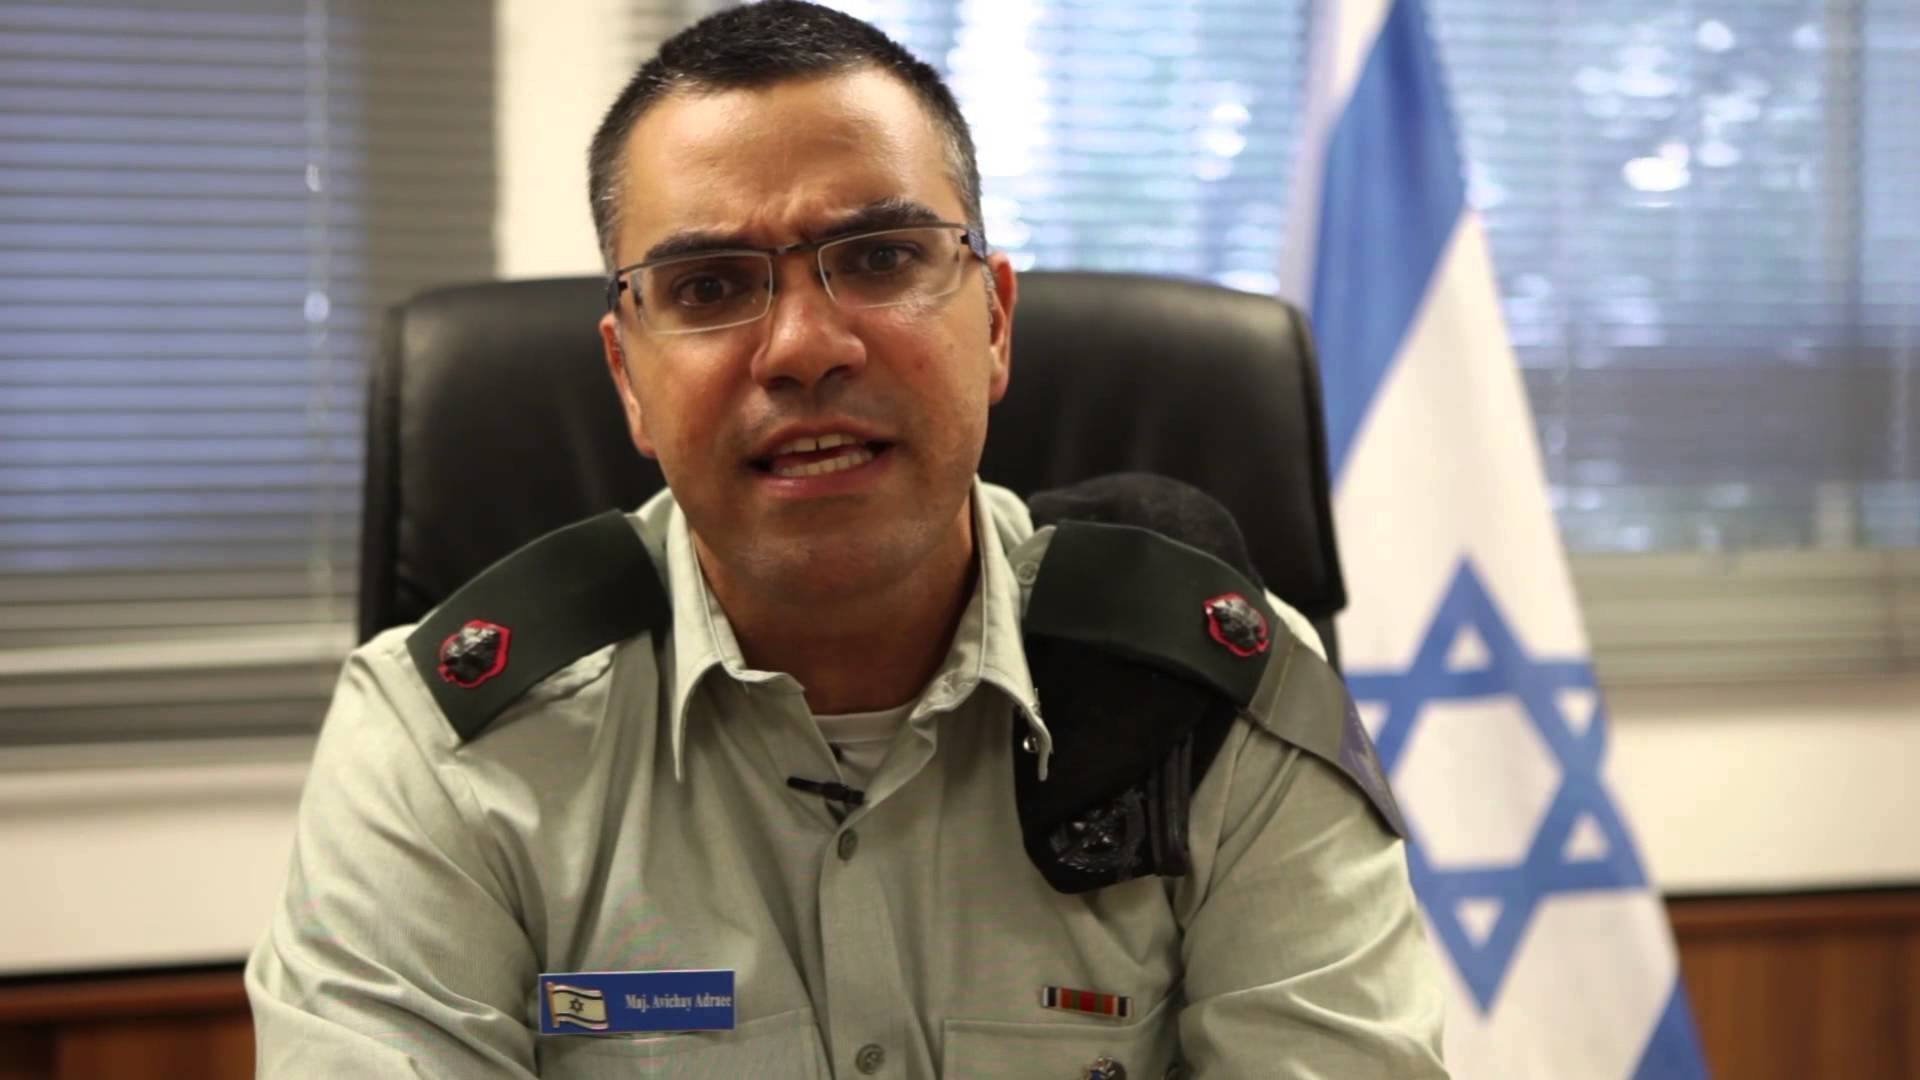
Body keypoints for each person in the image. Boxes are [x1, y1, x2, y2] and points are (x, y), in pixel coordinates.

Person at [245, 3, 1449, 1076]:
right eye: (710, 286)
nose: (805, 348)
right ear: (627, 377)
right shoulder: (439, 749)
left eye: (879, 259)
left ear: (995, 322)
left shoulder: (1223, 702)